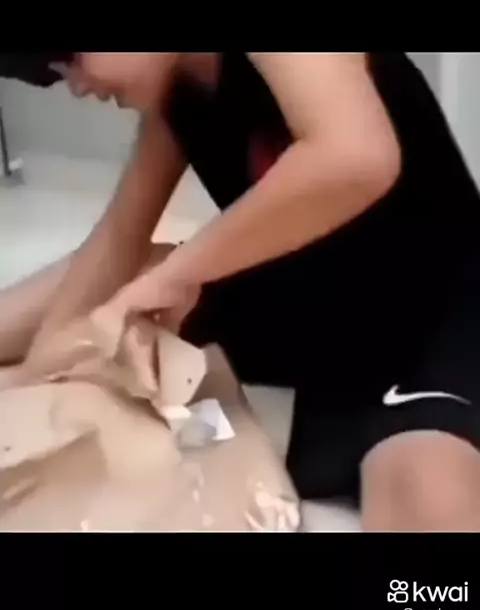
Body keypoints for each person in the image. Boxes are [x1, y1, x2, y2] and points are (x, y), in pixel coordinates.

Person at [1, 51, 480, 531]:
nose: (78, 86)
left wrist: (176, 277)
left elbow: (357, 157)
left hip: (429, 303)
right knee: (133, 280)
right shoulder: (177, 91)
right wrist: (36, 375)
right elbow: (117, 241)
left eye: (73, 58)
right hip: (308, 299)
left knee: (426, 494)